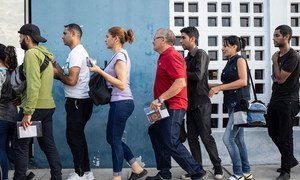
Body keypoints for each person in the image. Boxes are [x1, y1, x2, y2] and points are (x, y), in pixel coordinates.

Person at [146, 28, 207, 180]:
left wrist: (160, 99)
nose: (152, 41)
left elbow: (180, 83)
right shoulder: (163, 57)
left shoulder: (172, 56)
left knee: (170, 141)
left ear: (163, 40)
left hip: (174, 105)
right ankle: (164, 173)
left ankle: (197, 172)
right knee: (155, 133)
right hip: (163, 106)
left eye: (155, 38)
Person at [89, 26, 147, 180]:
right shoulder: (118, 56)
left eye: (107, 36)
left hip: (122, 102)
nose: (105, 39)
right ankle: (137, 168)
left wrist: (100, 71)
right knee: (112, 138)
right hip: (119, 102)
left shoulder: (120, 56)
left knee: (115, 140)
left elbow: (121, 84)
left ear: (115, 38)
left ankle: (117, 177)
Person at [12, 23, 62, 180]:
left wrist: (27, 112)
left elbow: (34, 84)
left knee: (20, 146)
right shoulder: (46, 55)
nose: (19, 39)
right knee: (48, 144)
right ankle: (56, 176)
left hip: (35, 108)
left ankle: (19, 178)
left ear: (27, 38)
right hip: (48, 106)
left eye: (20, 37)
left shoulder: (31, 54)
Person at [179, 26, 223, 180]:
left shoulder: (201, 54)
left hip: (201, 103)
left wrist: (180, 72)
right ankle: (196, 170)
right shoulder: (186, 58)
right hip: (189, 104)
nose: (181, 41)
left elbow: (198, 75)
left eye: (183, 37)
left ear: (192, 39)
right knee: (192, 139)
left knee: (206, 137)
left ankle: (218, 167)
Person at [208, 36, 253, 180]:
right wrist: (207, 85)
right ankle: (246, 172)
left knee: (228, 139)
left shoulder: (240, 60)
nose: (222, 48)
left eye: (225, 45)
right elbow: (228, 84)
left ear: (234, 46)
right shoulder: (229, 63)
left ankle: (238, 174)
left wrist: (219, 88)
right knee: (239, 140)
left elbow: (243, 81)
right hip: (231, 105)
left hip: (239, 105)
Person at [54, 23, 94, 180]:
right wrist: (54, 64)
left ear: (73, 34)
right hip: (80, 101)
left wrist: (56, 75)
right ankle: (87, 172)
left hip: (77, 101)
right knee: (78, 137)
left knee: (73, 137)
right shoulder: (75, 53)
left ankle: (80, 174)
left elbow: (71, 80)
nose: (62, 36)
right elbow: (65, 73)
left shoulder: (77, 53)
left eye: (64, 33)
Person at [267, 25, 300, 180]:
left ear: (286, 37)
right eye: (274, 35)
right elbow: (275, 78)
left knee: (286, 135)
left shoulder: (293, 56)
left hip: (288, 101)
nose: (274, 38)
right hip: (276, 99)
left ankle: (285, 171)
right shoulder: (278, 56)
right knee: (272, 131)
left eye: (277, 35)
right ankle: (290, 159)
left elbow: (280, 78)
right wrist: (276, 61)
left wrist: (275, 62)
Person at [0, 43, 18, 180]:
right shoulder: (13, 72)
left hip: (1, 117)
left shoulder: (0, 73)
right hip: (13, 115)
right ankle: (22, 171)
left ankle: (4, 177)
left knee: (1, 150)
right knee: (7, 149)